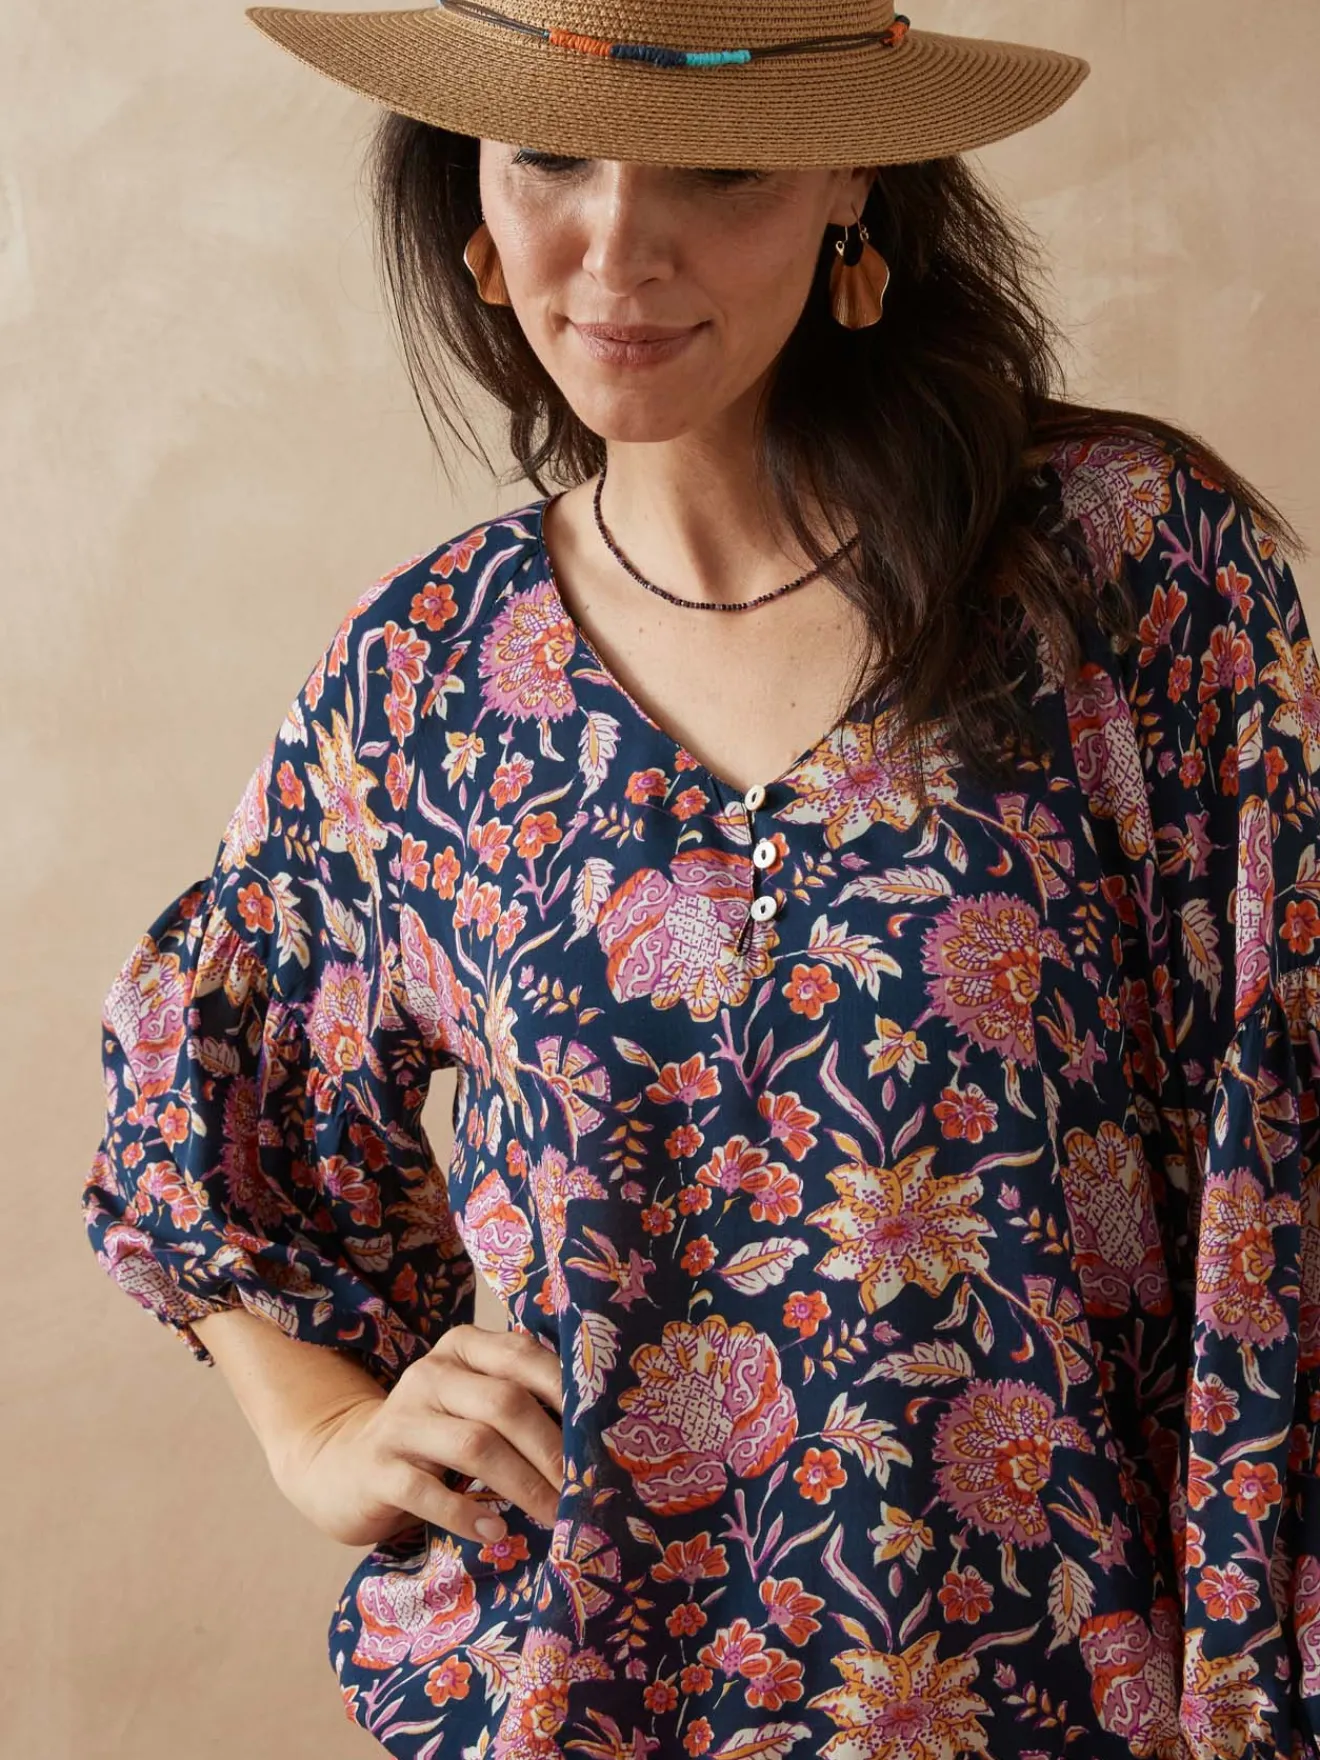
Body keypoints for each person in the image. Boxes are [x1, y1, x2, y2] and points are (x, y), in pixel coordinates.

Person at [81, 2, 1320, 1756]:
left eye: (718, 168)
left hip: (1073, 1707)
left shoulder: (1126, 575)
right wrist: (322, 1436)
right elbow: (208, 1120)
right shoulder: (425, 683)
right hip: (594, 1699)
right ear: (471, 191)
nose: (617, 251)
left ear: (851, 179)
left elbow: (1287, 1163)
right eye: (550, 159)